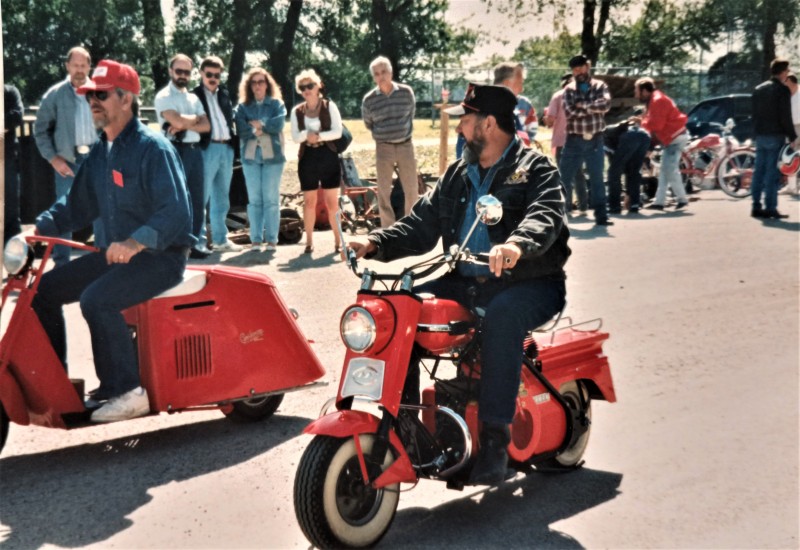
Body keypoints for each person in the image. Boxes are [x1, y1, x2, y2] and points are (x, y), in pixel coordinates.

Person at [349, 83, 569, 485]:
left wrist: (518, 244)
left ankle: (495, 439)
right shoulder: (459, 173)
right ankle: (406, 425)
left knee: (502, 317)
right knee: (403, 306)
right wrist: (375, 241)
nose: (461, 129)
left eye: (465, 120)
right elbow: (421, 225)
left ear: (488, 123)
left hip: (529, 282)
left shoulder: (535, 168)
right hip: (467, 280)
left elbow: (546, 213)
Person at [32, 60, 195, 423]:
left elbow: (176, 212)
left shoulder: (153, 148)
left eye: (101, 95)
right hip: (118, 256)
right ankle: (54, 385)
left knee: (97, 300)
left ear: (127, 99)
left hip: (160, 258)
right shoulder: (101, 152)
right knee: (41, 292)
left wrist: (135, 243)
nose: (93, 102)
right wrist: (39, 231)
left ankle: (128, 390)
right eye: (90, 95)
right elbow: (74, 206)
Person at [33, 46, 98, 266]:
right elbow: (40, 130)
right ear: (68, 66)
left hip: (97, 160)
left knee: (106, 209)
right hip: (67, 163)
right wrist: (53, 158)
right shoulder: (55, 95)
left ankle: (106, 261)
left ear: (90, 66)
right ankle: (62, 265)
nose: (79, 70)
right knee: (64, 213)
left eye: (83, 65)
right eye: (75, 65)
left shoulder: (101, 91)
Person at [155, 53, 212, 257]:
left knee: (198, 198)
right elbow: (175, 122)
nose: (182, 75)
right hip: (173, 150)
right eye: (179, 71)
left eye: (187, 72)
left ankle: (195, 244)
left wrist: (184, 123)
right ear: (171, 71)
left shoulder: (194, 98)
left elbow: (206, 126)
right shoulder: (163, 97)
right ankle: (177, 245)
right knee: (177, 198)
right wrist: (193, 120)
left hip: (194, 152)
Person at [290, 69, 343, 254]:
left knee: (331, 202)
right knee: (309, 201)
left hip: (328, 154)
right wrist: (308, 136)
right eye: (302, 87)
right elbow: (296, 137)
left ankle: (339, 240)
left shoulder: (330, 106)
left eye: (310, 85)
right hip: (308, 157)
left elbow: (338, 131)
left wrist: (319, 137)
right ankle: (309, 241)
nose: (307, 90)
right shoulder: (297, 111)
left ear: (318, 85)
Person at [361, 56, 418, 227]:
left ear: (391, 72)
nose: (381, 76)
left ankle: (411, 227)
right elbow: (368, 123)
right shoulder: (369, 100)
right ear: (374, 77)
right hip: (383, 147)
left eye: (384, 71)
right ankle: (388, 229)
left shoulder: (406, 93)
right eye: (377, 74)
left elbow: (410, 115)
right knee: (383, 190)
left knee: (411, 189)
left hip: (405, 145)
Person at [234, 67, 287, 251]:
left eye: (261, 81)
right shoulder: (242, 107)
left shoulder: (276, 104)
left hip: (273, 157)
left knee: (271, 199)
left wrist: (259, 125)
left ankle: (272, 239)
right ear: (249, 86)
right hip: (251, 157)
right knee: (255, 199)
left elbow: (278, 123)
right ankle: (255, 239)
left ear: (267, 84)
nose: (257, 85)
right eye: (254, 82)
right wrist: (261, 128)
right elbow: (240, 129)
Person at [192, 55, 240, 252]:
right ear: (201, 73)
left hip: (226, 148)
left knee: (222, 197)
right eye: (209, 74)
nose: (213, 78)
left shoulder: (224, 94)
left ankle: (221, 240)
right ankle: (198, 241)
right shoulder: (194, 96)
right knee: (201, 197)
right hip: (206, 148)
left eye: (217, 75)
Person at [558, 54, 613, 226]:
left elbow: (605, 105)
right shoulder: (569, 90)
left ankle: (601, 217)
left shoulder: (599, 85)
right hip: (573, 141)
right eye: (575, 69)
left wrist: (583, 106)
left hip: (595, 140)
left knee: (597, 179)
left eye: (581, 68)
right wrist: (592, 108)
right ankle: (556, 218)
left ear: (587, 67)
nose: (578, 72)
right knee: (564, 179)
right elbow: (570, 113)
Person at [750, 58, 797, 219]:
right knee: (772, 173)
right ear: (783, 72)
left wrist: (755, 133)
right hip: (775, 135)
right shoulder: (782, 90)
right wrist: (792, 136)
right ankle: (771, 208)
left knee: (758, 171)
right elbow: (786, 116)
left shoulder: (758, 89)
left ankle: (756, 206)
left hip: (760, 135)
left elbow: (754, 115)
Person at [633, 77, 689, 211]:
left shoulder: (657, 101)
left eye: (637, 91)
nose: (635, 95)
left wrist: (641, 122)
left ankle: (682, 199)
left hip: (675, 138)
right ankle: (659, 202)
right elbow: (653, 120)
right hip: (672, 138)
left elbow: (657, 125)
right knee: (664, 171)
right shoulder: (656, 99)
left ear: (645, 91)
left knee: (669, 170)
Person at [544, 73, 588, 212]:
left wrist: (546, 120)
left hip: (562, 141)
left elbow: (550, 119)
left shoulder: (558, 96)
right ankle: (583, 205)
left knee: (564, 175)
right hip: (580, 140)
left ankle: (567, 207)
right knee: (579, 174)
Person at [605, 116, 651, 213]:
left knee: (613, 173)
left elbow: (613, 158)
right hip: (645, 136)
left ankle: (614, 206)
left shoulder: (602, 138)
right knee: (634, 172)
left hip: (629, 138)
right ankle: (634, 204)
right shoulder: (612, 131)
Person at [4, 84, 24, 244]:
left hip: (6, 159)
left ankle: (15, 261)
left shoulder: (9, 92)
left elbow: (17, 116)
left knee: (10, 209)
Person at [782, 73, 800, 194]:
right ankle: (792, 187)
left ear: (791, 82)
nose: (784, 84)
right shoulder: (786, 95)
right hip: (790, 128)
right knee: (790, 157)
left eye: (786, 82)